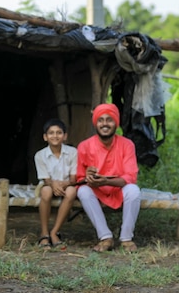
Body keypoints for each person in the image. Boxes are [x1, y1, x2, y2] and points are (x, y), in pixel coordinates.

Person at [76, 103, 140, 252]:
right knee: (83, 191)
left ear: (116, 123)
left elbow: (130, 177)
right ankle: (105, 237)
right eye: (100, 120)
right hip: (96, 191)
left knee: (134, 190)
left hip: (118, 188)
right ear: (96, 123)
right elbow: (79, 178)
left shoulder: (127, 144)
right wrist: (88, 178)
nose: (105, 124)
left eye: (109, 120)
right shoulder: (84, 146)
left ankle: (126, 239)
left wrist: (106, 181)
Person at [33, 118, 78, 249]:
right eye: (51, 133)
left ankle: (54, 232)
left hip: (67, 185)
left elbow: (73, 178)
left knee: (72, 192)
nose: (55, 136)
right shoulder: (40, 155)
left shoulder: (73, 152)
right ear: (45, 137)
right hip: (48, 185)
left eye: (59, 132)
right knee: (46, 192)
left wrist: (63, 184)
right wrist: (53, 185)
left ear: (65, 136)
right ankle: (44, 233)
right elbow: (45, 179)